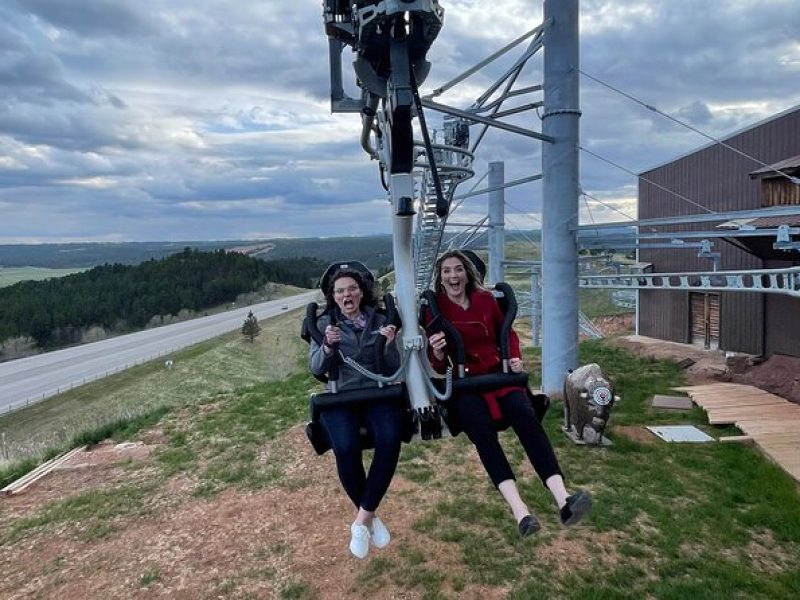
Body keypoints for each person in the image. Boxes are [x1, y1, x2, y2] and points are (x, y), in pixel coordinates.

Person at [426, 250, 591, 537]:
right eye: (447, 272)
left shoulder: (486, 301)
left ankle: (563, 497)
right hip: (467, 383)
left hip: (498, 375)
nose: (453, 276)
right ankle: (520, 510)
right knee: (481, 433)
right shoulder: (435, 309)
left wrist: (514, 359)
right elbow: (437, 363)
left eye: (458, 270)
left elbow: (508, 334)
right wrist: (437, 351)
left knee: (526, 418)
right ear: (440, 279)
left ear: (467, 273)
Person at [309, 267, 403, 558]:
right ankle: (370, 518)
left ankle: (361, 520)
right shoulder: (324, 324)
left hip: (376, 391)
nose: (346, 294)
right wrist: (326, 346)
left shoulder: (380, 320)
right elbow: (315, 368)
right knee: (346, 446)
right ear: (333, 296)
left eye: (351, 289)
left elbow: (392, 366)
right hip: (342, 395)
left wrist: (386, 346)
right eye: (340, 291)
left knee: (390, 438)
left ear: (361, 292)